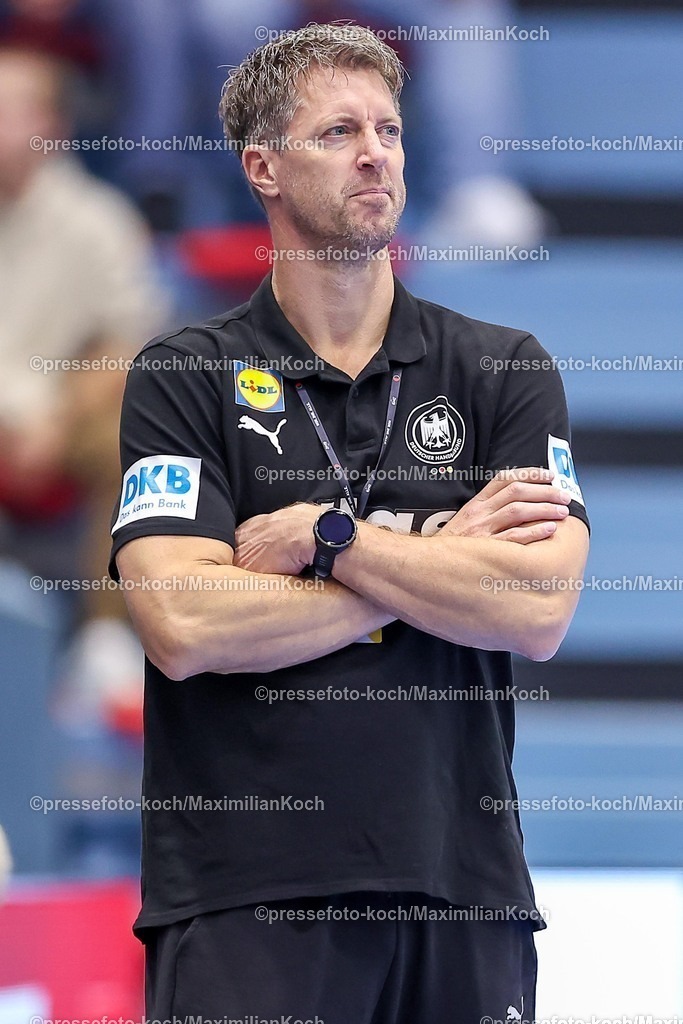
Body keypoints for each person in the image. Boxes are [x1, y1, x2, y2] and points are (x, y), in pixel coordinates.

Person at [109, 23, 589, 1023]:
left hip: (461, 889)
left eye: (389, 129)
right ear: (262, 168)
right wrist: (439, 560)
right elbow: (187, 627)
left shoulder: (501, 366)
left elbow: (535, 604)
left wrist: (333, 542)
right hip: (246, 901)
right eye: (336, 132)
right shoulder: (181, 375)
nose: (375, 153)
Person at [0, 45, 168, 729]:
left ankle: (106, 636)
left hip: (54, 422)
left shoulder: (98, 221)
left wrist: (55, 419)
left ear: (49, 125)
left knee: (138, 427)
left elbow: (125, 344)